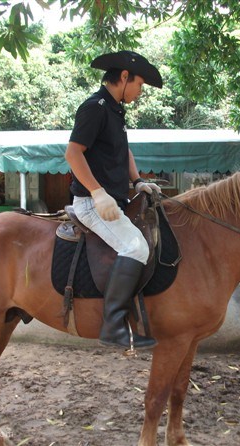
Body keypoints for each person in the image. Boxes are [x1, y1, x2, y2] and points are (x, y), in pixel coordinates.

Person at [65, 51, 163, 349]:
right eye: (139, 85)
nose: (140, 92)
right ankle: (112, 326)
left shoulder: (114, 112)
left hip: (113, 201)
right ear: (124, 77)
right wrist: (96, 191)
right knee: (135, 246)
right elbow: (72, 153)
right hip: (92, 203)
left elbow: (124, 153)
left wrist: (138, 181)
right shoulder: (94, 108)